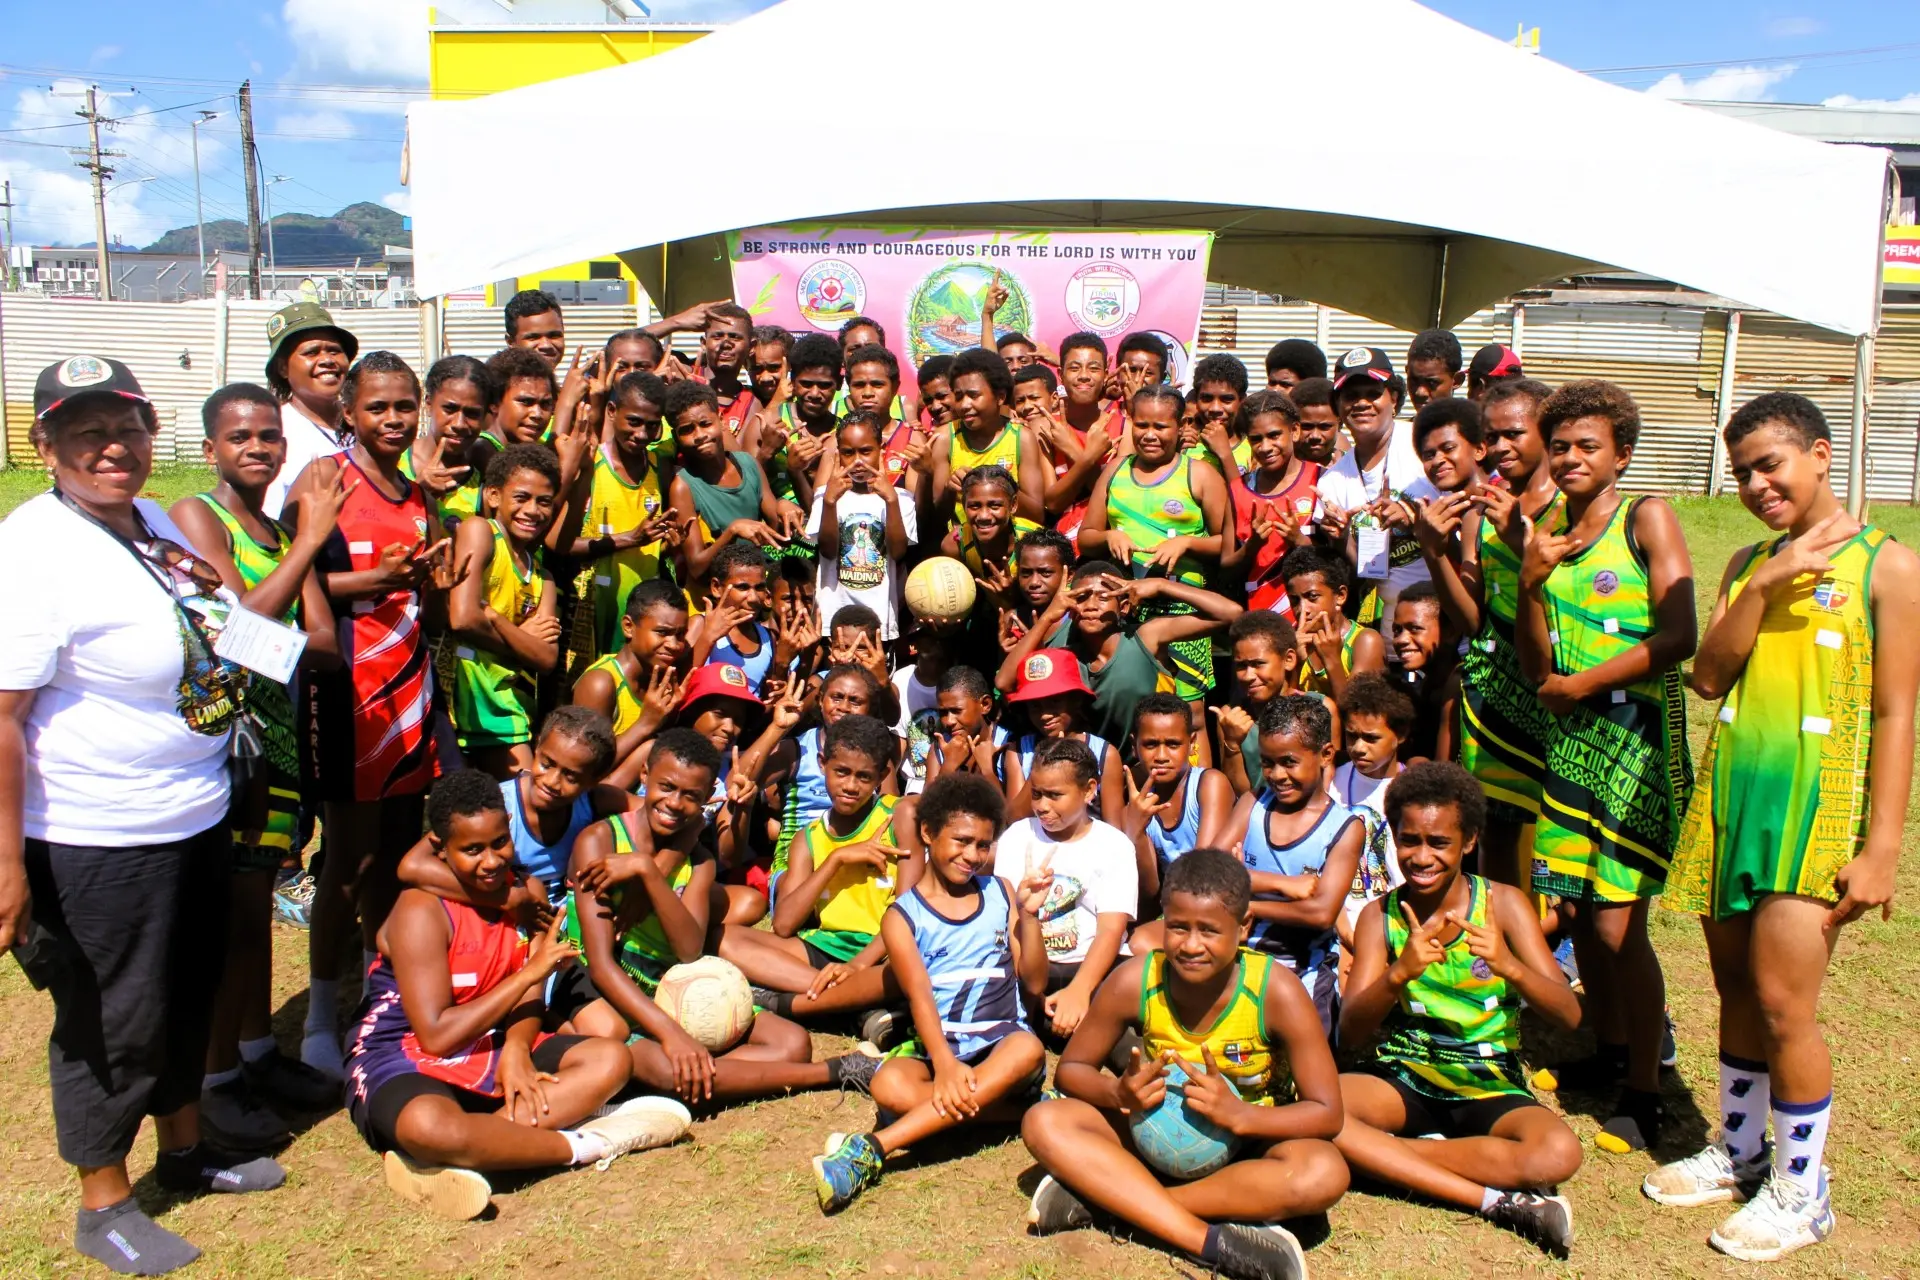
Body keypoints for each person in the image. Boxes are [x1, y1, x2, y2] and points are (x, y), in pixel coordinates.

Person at [1, 356, 287, 1276]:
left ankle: (187, 1150)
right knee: (112, 1020)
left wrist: (286, 641)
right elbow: (1, 718)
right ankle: (104, 1201)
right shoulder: (33, 549)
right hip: (95, 833)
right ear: (43, 443)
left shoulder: (154, 523)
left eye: (124, 426)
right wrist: (6, 864)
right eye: (83, 430)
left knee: (189, 990)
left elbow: (229, 632)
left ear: (150, 431)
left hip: (195, 809)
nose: (109, 446)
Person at [1647, 392, 1918, 1261]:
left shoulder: (1890, 567)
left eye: (1772, 464)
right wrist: (1763, 582)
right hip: (1735, 802)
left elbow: (1896, 712)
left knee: (1782, 1002)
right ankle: (1740, 1148)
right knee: (1733, 990)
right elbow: (1709, 679)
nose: (1758, 484)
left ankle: (1804, 1192)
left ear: (1821, 455)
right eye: (1742, 473)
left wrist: (1881, 848)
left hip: (1817, 807)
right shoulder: (1749, 561)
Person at [344, 769, 687, 1222]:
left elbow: (530, 996)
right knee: (427, 1124)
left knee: (610, 1059)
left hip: (490, 1038)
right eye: (471, 850)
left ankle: (459, 1152)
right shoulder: (419, 910)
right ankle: (587, 1142)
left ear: (509, 826)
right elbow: (436, 1036)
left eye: (499, 843)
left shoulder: (529, 893)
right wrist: (529, 975)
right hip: (402, 1051)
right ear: (439, 848)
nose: (490, 861)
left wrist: (518, 1049)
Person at [1020, 848, 1349, 1280]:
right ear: (1162, 925)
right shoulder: (1136, 979)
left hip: (1246, 1148)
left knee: (1322, 1172)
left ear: (1243, 927)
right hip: (1150, 1134)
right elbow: (1072, 1070)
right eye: (1178, 928)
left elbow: (1327, 1113)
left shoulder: (1277, 992)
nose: (1191, 945)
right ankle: (1208, 1241)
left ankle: (1107, 1201)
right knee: (1044, 1121)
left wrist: (1241, 1116)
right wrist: (1117, 1093)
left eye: (1209, 931)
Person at [1516, 379, 1696, 1153]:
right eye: (1559, 446)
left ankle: (1647, 1090)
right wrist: (1528, 582)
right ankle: (1610, 1051)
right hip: (1568, 743)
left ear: (1621, 452)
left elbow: (1682, 632)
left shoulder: (1644, 516)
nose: (1570, 458)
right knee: (1582, 910)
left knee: (1622, 924)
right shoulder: (1546, 526)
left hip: (1635, 739)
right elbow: (1535, 663)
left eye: (1588, 445)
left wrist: (1581, 686)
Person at [170, 383, 345, 1147]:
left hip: (278, 750)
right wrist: (310, 543)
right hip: (228, 753)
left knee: (255, 922)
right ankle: (215, 1082)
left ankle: (254, 1053)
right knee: (231, 927)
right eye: (240, 436)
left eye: (269, 436)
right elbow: (239, 637)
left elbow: (324, 645)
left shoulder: (275, 530)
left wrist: (291, 558)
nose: (258, 448)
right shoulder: (195, 517)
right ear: (210, 449)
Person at [284, 351, 457, 1080]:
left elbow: (418, 592)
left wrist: (435, 580)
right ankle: (321, 1014)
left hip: (409, 689)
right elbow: (296, 577)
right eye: (378, 407)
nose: (393, 419)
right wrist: (380, 577)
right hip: (347, 691)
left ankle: (373, 989)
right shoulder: (323, 481)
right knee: (347, 862)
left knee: (394, 851)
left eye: (403, 406)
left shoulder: (417, 492)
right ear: (349, 412)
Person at [554, 727, 882, 1105]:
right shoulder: (600, 841)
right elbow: (599, 965)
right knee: (665, 1067)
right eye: (666, 787)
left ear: (709, 796)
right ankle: (832, 1072)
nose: (674, 803)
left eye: (691, 796)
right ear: (644, 776)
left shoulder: (700, 862)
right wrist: (671, 1035)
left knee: (791, 1042)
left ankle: (685, 1072)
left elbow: (690, 949)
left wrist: (647, 871)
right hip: (605, 990)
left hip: (666, 985)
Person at [1334, 762, 1583, 1258]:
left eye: (1438, 843)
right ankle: (1488, 1191)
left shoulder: (1505, 905)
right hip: (1406, 1072)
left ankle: (1390, 1156)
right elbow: (1351, 1033)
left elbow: (1570, 1016)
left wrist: (1510, 966)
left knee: (1559, 1152)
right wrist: (1397, 974)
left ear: (1468, 841)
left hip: (1487, 1072)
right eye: (1409, 841)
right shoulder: (1377, 916)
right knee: (1320, 1112)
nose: (1421, 857)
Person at [809, 773, 1049, 1214]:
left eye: (983, 844)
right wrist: (943, 1065)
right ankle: (1019, 1110)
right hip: (943, 1049)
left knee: (1026, 1049)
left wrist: (1030, 919)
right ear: (926, 833)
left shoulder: (1001, 893)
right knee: (889, 1083)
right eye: (960, 841)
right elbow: (919, 996)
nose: (972, 855)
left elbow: (1033, 982)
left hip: (1002, 1044)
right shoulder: (902, 918)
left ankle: (874, 1148)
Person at [1427, 378, 1560, 888]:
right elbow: (1470, 618)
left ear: (1547, 434)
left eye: (1514, 434)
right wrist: (1433, 550)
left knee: (1553, 831)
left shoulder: (1569, 512)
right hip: (1494, 695)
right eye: (1492, 436)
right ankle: (1506, 946)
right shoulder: (1479, 512)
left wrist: (1520, 540)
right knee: (1499, 831)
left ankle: (1555, 946)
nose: (1500, 448)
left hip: (1550, 694)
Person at [721, 716, 921, 1022]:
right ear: (822, 763)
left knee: (905, 971)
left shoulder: (899, 815)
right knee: (724, 939)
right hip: (826, 948)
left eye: (864, 777)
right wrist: (836, 859)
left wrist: (859, 965)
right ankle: (853, 1004)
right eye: (841, 772)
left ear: (881, 776)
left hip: (884, 952)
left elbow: (910, 914)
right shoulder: (808, 838)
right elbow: (785, 924)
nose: (851, 786)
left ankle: (795, 1001)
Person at [1081, 385, 1234, 725]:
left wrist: (1187, 544)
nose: (1149, 435)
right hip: (1126, 612)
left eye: (1160, 427)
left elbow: (1229, 544)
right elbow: (1085, 538)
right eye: (1141, 425)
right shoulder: (1116, 471)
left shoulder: (1199, 474)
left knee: (1189, 710)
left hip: (1183, 609)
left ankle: (1197, 778)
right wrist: (1109, 534)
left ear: (1181, 427)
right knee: (1139, 706)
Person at [999, 560, 1243, 748]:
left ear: (1124, 606)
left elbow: (1230, 613)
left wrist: (1161, 586)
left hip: (1151, 763)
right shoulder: (1063, 652)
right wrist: (1049, 616)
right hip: (1094, 770)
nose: (1092, 605)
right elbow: (1004, 682)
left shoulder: (1146, 637)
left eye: (1104, 597)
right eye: (1081, 598)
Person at [1230, 696, 1365, 1034]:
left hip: (1306, 967)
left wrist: (1248, 900)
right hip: (1237, 957)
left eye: (1289, 762)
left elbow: (1321, 913)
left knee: (1306, 1054)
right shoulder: (1253, 804)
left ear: (1326, 755)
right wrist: (1280, 884)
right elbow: (1201, 874)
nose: (1277, 775)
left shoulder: (1344, 828)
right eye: (1267, 763)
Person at [991, 736, 1137, 1040]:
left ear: (1089, 791)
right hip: (1029, 962)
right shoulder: (1018, 837)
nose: (1042, 806)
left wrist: (1080, 991)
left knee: (1108, 1018)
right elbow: (1011, 919)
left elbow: (1111, 930)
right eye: (1036, 794)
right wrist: (1031, 991)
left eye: (1055, 795)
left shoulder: (1114, 845)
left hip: (1091, 966)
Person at [447, 445, 563, 777]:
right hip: (465, 699)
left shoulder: (544, 578)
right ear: (494, 496)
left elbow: (545, 659)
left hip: (508, 711)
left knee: (516, 809)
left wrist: (497, 619)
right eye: (522, 497)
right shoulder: (480, 531)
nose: (533, 510)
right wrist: (522, 641)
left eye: (544, 502)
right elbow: (463, 617)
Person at [1314, 348, 1437, 629]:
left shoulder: (1425, 446)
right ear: (1338, 407)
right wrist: (1343, 538)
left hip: (1440, 622)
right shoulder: (1331, 482)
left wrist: (1413, 521)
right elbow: (1363, 570)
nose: (1361, 403)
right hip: (1382, 626)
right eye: (1350, 397)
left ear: (1393, 398)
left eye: (1372, 393)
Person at [569, 371, 681, 659]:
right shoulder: (590, 463)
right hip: (591, 609)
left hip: (642, 617)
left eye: (652, 426)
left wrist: (670, 546)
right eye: (634, 422)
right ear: (611, 411)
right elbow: (561, 544)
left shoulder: (661, 469)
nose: (642, 434)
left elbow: (659, 543)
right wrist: (628, 539)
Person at [664, 380, 802, 592]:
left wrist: (783, 506)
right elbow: (697, 568)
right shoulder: (683, 487)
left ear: (721, 421)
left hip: (754, 591)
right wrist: (732, 531)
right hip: (715, 600)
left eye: (705, 424)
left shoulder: (748, 463)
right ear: (676, 437)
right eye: (687, 430)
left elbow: (777, 534)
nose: (700, 435)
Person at [1122, 695, 1238, 914]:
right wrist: (1135, 832)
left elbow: (1203, 871)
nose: (1162, 756)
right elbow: (1148, 893)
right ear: (1134, 746)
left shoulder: (1209, 785)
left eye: (1173, 744)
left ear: (1192, 744)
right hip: (1174, 910)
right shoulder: (1133, 809)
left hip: (1216, 904)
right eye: (1151, 744)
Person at [809, 411, 916, 642]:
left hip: (879, 619)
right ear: (838, 454)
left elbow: (898, 552)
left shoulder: (901, 498)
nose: (857, 461)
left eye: (866, 451)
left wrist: (891, 501)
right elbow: (827, 551)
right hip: (832, 620)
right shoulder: (825, 496)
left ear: (882, 448)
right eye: (848, 453)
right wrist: (829, 502)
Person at [572, 579, 692, 783]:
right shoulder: (601, 683)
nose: (674, 645)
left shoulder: (662, 678)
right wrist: (646, 723)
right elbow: (585, 767)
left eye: (680, 635)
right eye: (662, 632)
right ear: (628, 627)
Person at [997, 648, 1125, 827]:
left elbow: (1115, 830)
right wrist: (1045, 759)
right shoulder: (1019, 752)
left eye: (1055, 702)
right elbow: (1014, 819)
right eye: (1035, 706)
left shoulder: (1104, 754)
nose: (1044, 715)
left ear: (1076, 700)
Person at [927, 347, 1046, 536]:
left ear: (1000, 397)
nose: (965, 405)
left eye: (974, 396)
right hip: (964, 551)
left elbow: (1036, 514)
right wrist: (950, 490)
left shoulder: (1021, 438)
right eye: (959, 396)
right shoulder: (944, 439)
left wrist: (999, 485)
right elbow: (938, 516)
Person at [1330, 674, 1410, 943]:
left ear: (1400, 735)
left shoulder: (1414, 791)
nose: (1358, 748)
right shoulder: (1333, 783)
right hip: (1340, 924)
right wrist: (1344, 930)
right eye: (1352, 736)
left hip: (1395, 926)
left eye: (1371, 738)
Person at [1211, 610, 1322, 799]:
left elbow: (1328, 782)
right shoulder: (1231, 718)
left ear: (1288, 660)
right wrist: (1232, 745)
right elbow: (1241, 794)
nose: (1248, 676)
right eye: (1241, 666)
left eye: (1258, 664)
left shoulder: (1321, 709)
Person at [262, 301, 358, 518]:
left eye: (335, 351)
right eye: (311, 352)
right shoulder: (274, 431)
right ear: (283, 368)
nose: (327, 360)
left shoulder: (364, 423)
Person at [1228, 388, 1321, 612]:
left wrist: (1299, 540)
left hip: (1312, 618)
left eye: (1274, 435)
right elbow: (1225, 567)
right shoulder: (1236, 490)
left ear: (1295, 431)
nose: (1266, 447)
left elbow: (1338, 563)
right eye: (1256, 439)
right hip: (1259, 618)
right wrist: (1252, 546)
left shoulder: (1321, 481)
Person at [1282, 544, 1386, 702]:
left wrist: (1331, 659)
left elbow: (1355, 715)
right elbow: (1283, 712)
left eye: (1312, 597)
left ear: (1340, 596)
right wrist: (1296, 665)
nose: (1302, 609)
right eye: (1294, 600)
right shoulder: (1294, 643)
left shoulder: (1364, 641)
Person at [407, 356, 493, 536]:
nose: (459, 424)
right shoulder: (394, 464)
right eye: (450, 409)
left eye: (472, 413)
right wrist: (417, 494)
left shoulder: (481, 486)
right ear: (428, 403)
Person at [1385, 583, 1458, 762]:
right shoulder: (1417, 682)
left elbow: (1442, 772)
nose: (1401, 640)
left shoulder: (1457, 685)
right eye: (1397, 630)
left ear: (1450, 632)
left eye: (1415, 628)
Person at [1189, 352, 1253, 475]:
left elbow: (1244, 494)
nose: (1215, 408)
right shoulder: (1187, 445)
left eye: (1226, 399)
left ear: (1242, 401)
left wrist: (1225, 453)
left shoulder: (1254, 446)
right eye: (1206, 399)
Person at [483, 346, 559, 448]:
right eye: (526, 402)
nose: (537, 414)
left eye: (545, 404)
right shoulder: (482, 449)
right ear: (495, 403)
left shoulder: (532, 448)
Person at [503, 288, 566, 367]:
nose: (546, 345)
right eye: (533, 337)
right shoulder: (492, 378)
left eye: (554, 336)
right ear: (510, 342)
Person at [1405, 329, 1464, 411]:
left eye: (1431, 383)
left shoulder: (1470, 423)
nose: (1420, 392)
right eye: (1414, 381)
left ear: (1457, 380)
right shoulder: (1398, 424)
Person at [1289, 378, 1341, 468]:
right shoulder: (1280, 470)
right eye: (1306, 427)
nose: (1315, 436)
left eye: (1324, 427)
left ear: (1340, 424)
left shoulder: (1353, 468)